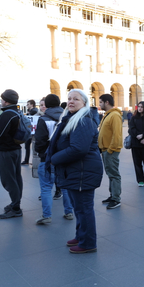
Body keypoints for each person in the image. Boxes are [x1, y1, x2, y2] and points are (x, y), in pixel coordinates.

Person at [46, 89, 103, 253]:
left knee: (84, 208)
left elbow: (78, 149)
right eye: (69, 98)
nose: (71, 101)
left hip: (83, 172)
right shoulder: (73, 118)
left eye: (76, 99)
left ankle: (88, 243)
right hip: (76, 171)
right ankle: (81, 236)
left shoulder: (83, 121)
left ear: (84, 102)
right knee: (79, 208)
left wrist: (54, 158)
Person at [34, 94, 74, 224]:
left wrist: (42, 153)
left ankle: (47, 216)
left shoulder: (43, 119)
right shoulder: (68, 118)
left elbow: (39, 142)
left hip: (48, 158)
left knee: (46, 187)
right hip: (64, 157)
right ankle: (69, 212)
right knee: (66, 187)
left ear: (47, 105)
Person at [0, 89, 25, 219]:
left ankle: (16, 208)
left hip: (6, 152)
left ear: (5, 101)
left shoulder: (6, 115)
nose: (0, 101)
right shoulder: (16, 112)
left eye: (1, 99)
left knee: (8, 180)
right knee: (16, 178)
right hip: (15, 149)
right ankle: (15, 203)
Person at [98, 94, 123, 209]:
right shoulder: (107, 115)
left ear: (107, 102)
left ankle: (116, 198)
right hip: (105, 149)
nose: (99, 105)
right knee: (110, 174)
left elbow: (117, 135)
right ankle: (112, 195)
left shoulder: (114, 115)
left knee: (114, 174)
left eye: (101, 102)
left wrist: (110, 150)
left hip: (110, 150)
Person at [21, 99, 38, 165]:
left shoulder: (33, 111)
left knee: (28, 147)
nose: (27, 105)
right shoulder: (32, 111)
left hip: (31, 132)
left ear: (32, 105)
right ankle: (28, 160)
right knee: (29, 147)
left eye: (28, 104)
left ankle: (27, 160)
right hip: (31, 132)